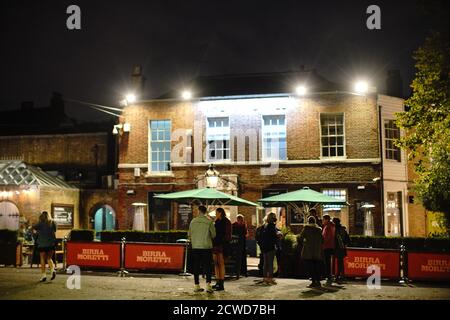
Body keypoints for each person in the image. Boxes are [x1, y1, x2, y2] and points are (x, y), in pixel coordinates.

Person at [188, 205, 216, 293]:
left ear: (199, 211)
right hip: (206, 246)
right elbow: (213, 235)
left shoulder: (193, 221)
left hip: (195, 247)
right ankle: (208, 285)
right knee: (207, 266)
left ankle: (196, 285)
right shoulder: (209, 221)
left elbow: (189, 235)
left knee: (196, 266)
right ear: (205, 212)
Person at [299, 216, 324, 288]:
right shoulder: (319, 230)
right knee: (316, 267)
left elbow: (300, 238)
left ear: (308, 221)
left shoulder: (306, 229)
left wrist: (304, 242)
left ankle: (313, 282)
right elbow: (322, 240)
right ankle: (318, 282)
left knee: (310, 267)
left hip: (308, 251)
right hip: (317, 251)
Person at [32, 211, 57, 282]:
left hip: (42, 243)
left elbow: (33, 228)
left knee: (42, 259)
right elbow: (55, 230)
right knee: (49, 258)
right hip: (51, 243)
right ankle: (52, 270)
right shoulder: (53, 222)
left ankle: (44, 276)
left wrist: (35, 234)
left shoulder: (40, 223)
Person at [258, 212, 280, 285]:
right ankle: (270, 279)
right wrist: (279, 235)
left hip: (264, 247)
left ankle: (265, 278)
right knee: (270, 263)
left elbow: (259, 236)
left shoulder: (264, 226)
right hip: (271, 247)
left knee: (265, 263)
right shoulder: (272, 226)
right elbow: (274, 235)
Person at [212, 207, 231, 291]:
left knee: (221, 263)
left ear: (220, 213)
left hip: (222, 245)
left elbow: (227, 235)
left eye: (216, 212)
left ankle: (221, 283)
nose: (215, 214)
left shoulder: (226, 222)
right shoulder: (217, 221)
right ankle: (218, 281)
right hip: (216, 244)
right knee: (216, 263)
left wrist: (222, 241)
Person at [332, 217, 350, 284]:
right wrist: (344, 244)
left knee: (335, 262)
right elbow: (348, 239)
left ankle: (337, 276)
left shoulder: (334, 229)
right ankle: (341, 275)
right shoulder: (343, 229)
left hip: (336, 248)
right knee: (340, 262)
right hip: (341, 248)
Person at [232, 214, 248, 279]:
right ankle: (239, 271)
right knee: (238, 258)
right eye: (241, 220)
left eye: (242, 220)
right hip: (237, 244)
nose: (241, 221)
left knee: (243, 257)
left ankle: (243, 271)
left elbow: (245, 233)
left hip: (242, 243)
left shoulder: (243, 225)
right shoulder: (234, 225)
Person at [322, 214, 335, 286]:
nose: (322, 221)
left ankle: (329, 277)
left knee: (327, 262)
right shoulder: (331, 226)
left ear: (326, 219)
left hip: (327, 246)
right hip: (329, 246)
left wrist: (322, 243)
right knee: (328, 262)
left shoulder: (328, 227)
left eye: (323, 219)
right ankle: (329, 276)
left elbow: (327, 237)